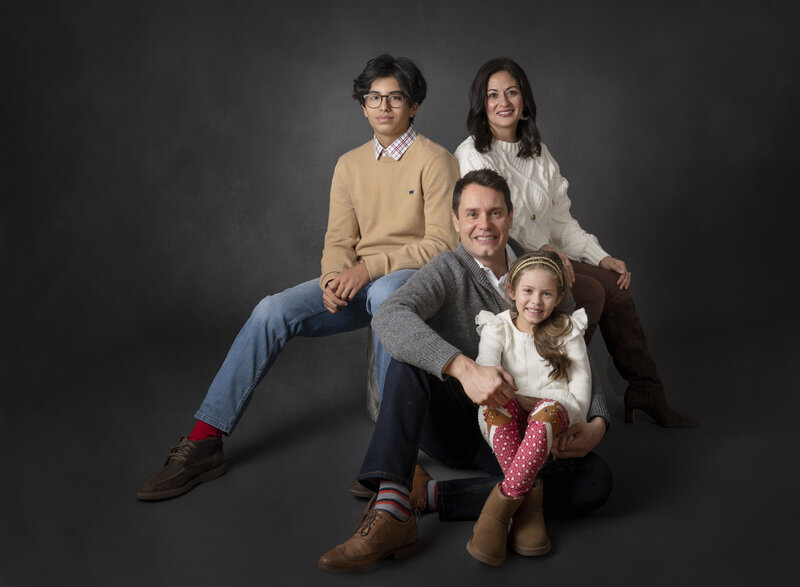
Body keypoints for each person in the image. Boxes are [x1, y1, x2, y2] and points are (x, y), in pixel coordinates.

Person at [136, 54, 460, 501]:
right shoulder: (349, 164)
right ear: (363, 105)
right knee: (271, 310)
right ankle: (205, 440)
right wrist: (332, 279)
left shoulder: (436, 160)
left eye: (395, 96)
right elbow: (338, 239)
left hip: (406, 280)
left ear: (414, 105)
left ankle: (392, 456)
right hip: (357, 278)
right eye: (374, 97)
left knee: (386, 293)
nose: (383, 106)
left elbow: (442, 244)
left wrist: (369, 267)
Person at [316, 169, 611, 573]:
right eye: (471, 214)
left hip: (530, 429)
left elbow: (578, 358)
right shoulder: (447, 269)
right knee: (410, 358)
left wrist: (597, 422)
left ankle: (433, 495)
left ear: (510, 216)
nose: (483, 225)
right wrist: (461, 367)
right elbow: (389, 316)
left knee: (595, 481)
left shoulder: (544, 272)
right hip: (458, 422)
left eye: (494, 213)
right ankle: (390, 504)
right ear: (455, 221)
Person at [454, 57, 694, 428]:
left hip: (548, 258)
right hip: (510, 262)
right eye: (493, 95)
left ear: (525, 101)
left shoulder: (538, 152)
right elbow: (489, 225)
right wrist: (542, 254)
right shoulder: (472, 153)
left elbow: (561, 223)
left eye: (512, 92)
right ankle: (555, 374)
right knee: (593, 294)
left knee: (611, 282)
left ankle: (646, 391)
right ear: (480, 104)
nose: (504, 102)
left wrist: (602, 256)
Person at [467, 251, 590, 566]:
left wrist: (571, 417)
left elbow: (580, 388)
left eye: (547, 293)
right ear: (511, 291)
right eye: (528, 291)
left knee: (547, 411)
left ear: (559, 296)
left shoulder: (566, 329)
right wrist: (514, 397)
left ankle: (497, 513)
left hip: (551, 417)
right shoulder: (498, 327)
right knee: (496, 404)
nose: (536, 301)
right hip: (507, 414)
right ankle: (529, 512)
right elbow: (487, 369)